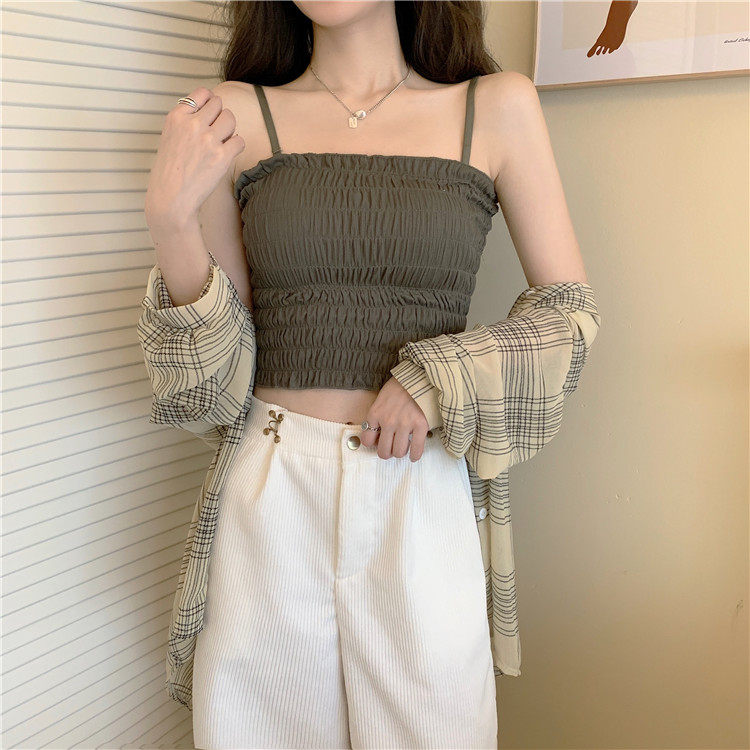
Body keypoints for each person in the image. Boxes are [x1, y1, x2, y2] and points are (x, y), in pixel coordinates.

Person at [138, 2, 597, 748]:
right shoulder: (232, 116)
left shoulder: (496, 106)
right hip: (272, 492)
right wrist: (170, 221)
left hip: (420, 486)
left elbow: (569, 316)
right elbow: (213, 391)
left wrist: (436, 379)